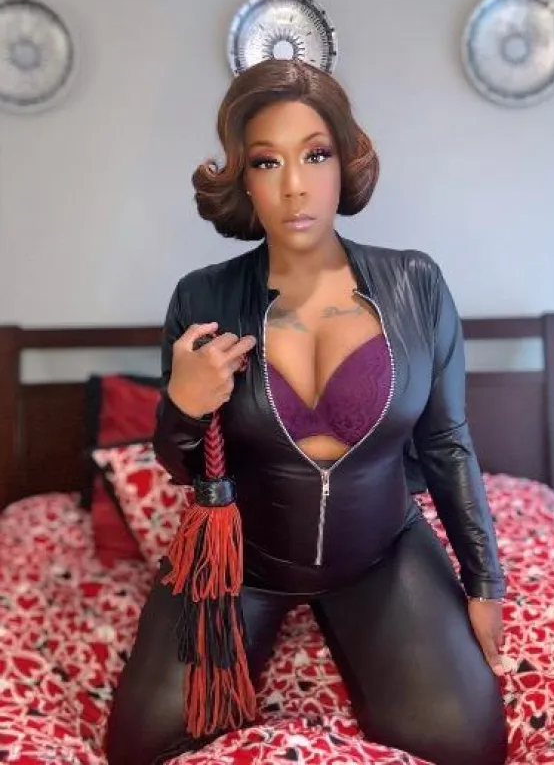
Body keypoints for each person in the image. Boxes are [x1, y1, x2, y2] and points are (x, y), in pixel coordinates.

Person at [106, 58, 508, 765]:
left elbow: (446, 441)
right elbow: (180, 465)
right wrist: (183, 406)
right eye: (268, 162)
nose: (294, 184)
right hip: (241, 561)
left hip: (383, 552)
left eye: (315, 154)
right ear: (244, 179)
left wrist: (484, 582)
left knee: (468, 743)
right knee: (141, 746)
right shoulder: (202, 298)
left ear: (343, 162)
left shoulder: (416, 284)